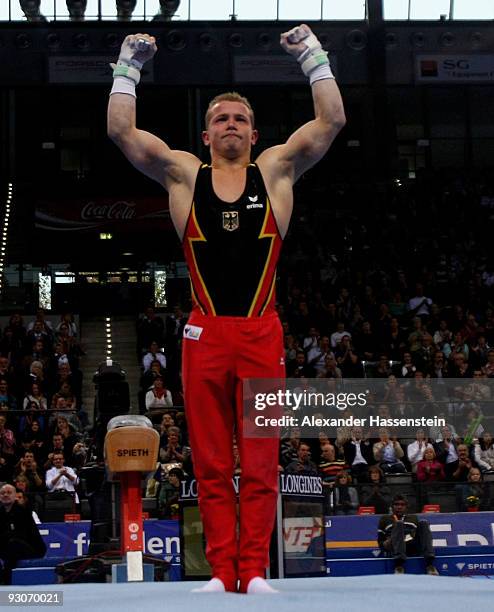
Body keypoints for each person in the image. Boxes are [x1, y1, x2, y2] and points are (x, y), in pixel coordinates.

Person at [108, 23, 345, 595]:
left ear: (255, 132)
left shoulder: (277, 171)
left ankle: (255, 571)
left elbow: (331, 121)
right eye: (221, 119)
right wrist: (127, 64)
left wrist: (313, 57)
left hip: (261, 331)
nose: (231, 125)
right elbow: (122, 131)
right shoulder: (185, 174)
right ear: (206, 133)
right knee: (212, 460)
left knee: (261, 459)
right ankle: (221, 571)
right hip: (203, 333)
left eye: (239, 118)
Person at [377, 494, 438, 575]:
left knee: (424, 523)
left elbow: (419, 535)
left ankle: (430, 565)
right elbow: (380, 542)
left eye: (402, 504)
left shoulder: (413, 518)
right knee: (399, 524)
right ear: (392, 506)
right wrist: (386, 543)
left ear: (406, 506)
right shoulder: (384, 519)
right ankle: (399, 566)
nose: (399, 507)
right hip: (394, 545)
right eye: (396, 504)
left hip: (411, 544)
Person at [0, 483, 46, 584]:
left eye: (9, 492)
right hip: (9, 548)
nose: (5, 495)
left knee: (13, 543)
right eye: (2, 493)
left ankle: (5, 580)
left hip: (31, 548)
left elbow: (22, 535)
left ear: (15, 495)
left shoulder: (23, 512)